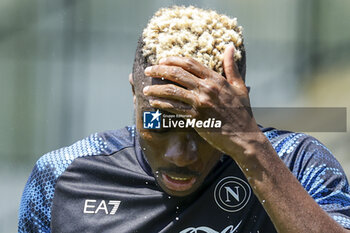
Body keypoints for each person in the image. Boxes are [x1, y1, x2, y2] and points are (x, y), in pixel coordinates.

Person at [19, 6, 350, 233]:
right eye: (160, 124)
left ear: (240, 103)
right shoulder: (64, 177)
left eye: (207, 128)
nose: (182, 156)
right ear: (135, 93)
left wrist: (250, 146)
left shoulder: (295, 162)